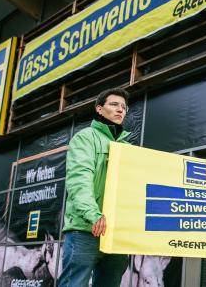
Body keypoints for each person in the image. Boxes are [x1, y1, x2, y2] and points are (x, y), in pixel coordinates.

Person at [58, 88, 131, 287]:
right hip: (86, 228)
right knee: (74, 283)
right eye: (114, 104)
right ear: (99, 109)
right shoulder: (85, 138)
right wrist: (93, 214)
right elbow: (79, 179)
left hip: (115, 233)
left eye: (123, 107)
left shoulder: (126, 148)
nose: (120, 110)